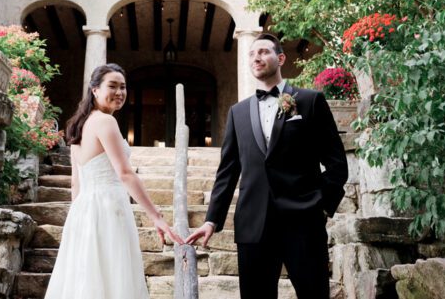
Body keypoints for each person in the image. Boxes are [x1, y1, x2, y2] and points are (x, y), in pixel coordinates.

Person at [184, 33, 347, 299]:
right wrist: (212, 220)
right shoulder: (238, 112)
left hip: (303, 222)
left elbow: (337, 164)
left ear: (280, 58)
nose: (256, 57)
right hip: (253, 226)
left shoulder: (310, 101)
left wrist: (320, 204)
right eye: (251, 53)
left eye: (263, 52)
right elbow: (227, 172)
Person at [45, 63, 183, 299]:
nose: (119, 92)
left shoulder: (78, 125)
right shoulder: (105, 122)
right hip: (109, 208)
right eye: (112, 86)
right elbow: (125, 173)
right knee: (113, 279)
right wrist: (157, 217)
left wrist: (77, 221)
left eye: (123, 87)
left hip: (83, 211)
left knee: (86, 279)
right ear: (95, 89)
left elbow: (76, 185)